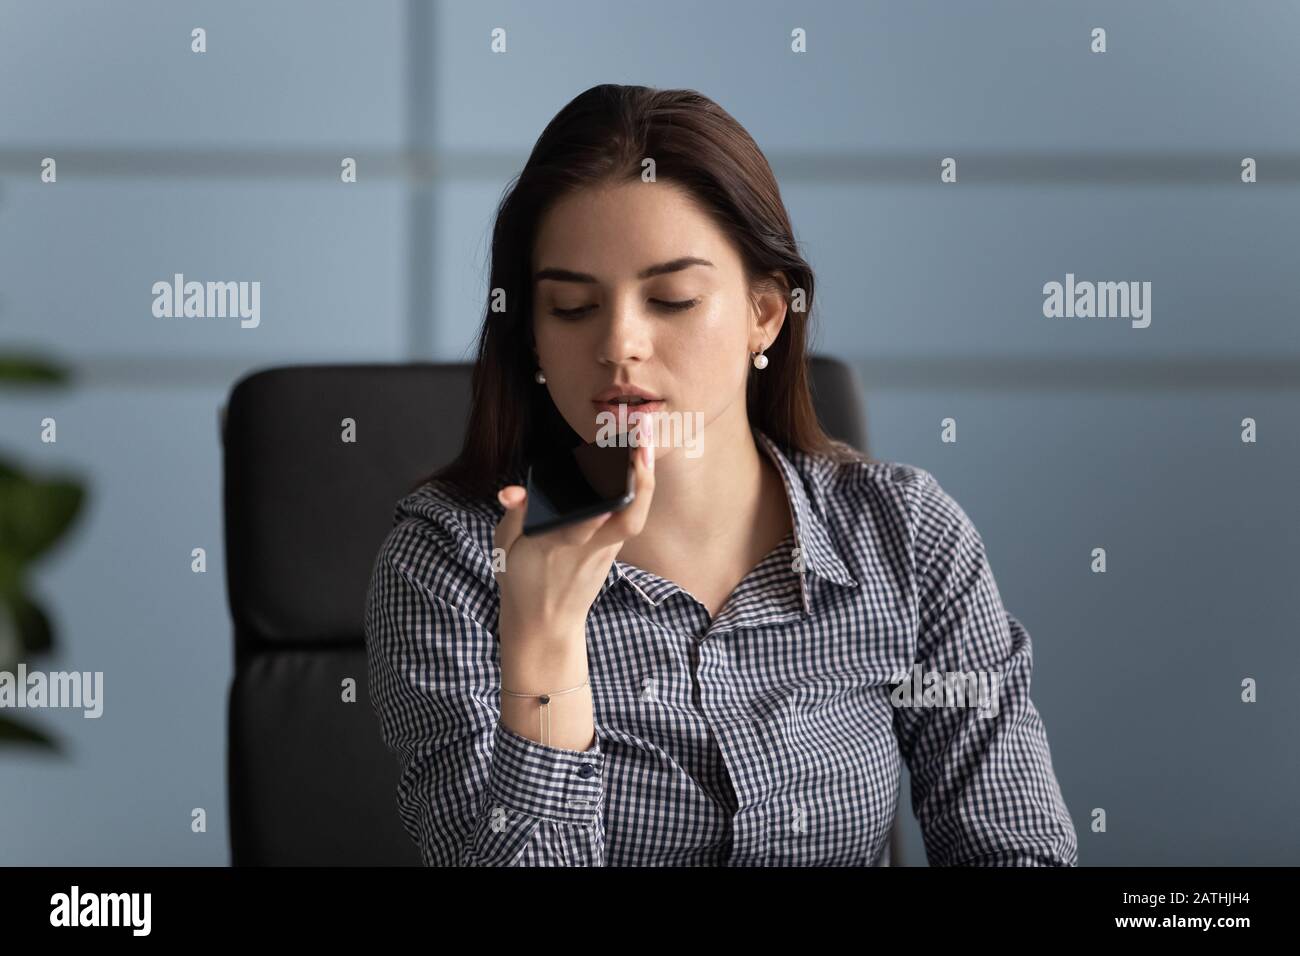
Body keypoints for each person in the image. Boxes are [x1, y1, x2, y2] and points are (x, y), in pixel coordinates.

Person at [364, 83, 1078, 867]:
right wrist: (543, 646)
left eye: (671, 300)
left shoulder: (907, 535)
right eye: (571, 308)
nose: (620, 346)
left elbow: (1016, 850)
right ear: (530, 334)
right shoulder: (451, 562)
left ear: (764, 315)